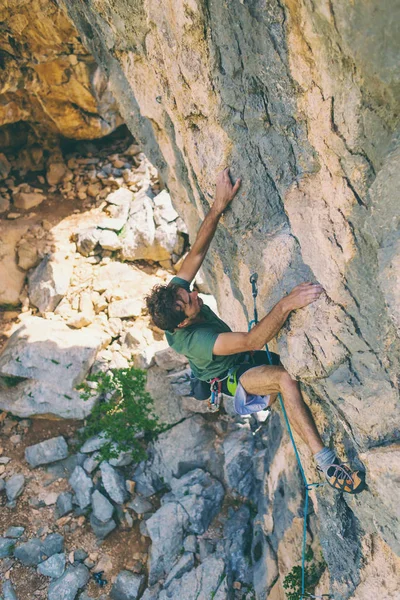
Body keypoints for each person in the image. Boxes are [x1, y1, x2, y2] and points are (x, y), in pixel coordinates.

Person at [145, 168, 365, 494]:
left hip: (240, 355)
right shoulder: (198, 340)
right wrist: (287, 302)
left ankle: (271, 404)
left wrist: (218, 206)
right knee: (284, 378)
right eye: (190, 302)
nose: (193, 295)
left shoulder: (175, 302)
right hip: (233, 376)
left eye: (186, 292)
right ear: (181, 322)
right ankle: (327, 462)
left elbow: (196, 254)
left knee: (285, 375)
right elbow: (252, 340)